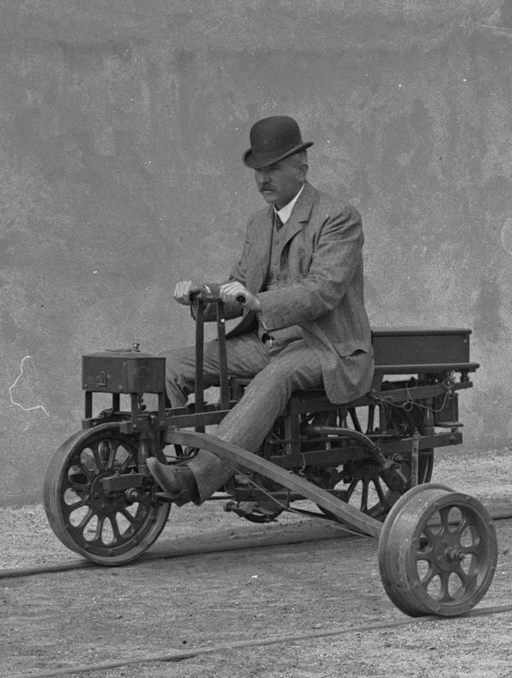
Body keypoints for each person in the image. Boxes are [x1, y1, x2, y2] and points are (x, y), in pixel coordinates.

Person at [144, 115, 374, 515]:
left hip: (325, 345)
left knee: (274, 378)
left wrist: (258, 303)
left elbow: (324, 290)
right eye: (257, 170)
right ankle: (151, 459)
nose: (263, 179)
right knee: (171, 365)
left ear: (302, 167)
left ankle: (197, 474)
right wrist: (205, 294)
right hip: (264, 341)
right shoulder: (258, 223)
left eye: (273, 168)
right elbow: (239, 287)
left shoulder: (338, 217)